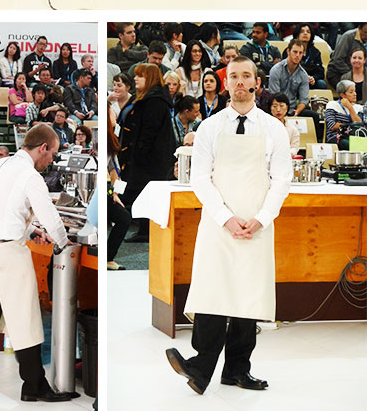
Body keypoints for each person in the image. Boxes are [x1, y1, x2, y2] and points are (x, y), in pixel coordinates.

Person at [166, 56, 291, 396]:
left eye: (245, 76)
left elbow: (282, 180)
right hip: (219, 222)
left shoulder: (273, 129)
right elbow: (200, 179)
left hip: (257, 223)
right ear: (225, 84)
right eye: (233, 76)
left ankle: (237, 369)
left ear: (256, 83)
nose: (239, 82)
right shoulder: (210, 127)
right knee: (212, 290)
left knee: (247, 297)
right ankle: (201, 364)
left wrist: (261, 218)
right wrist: (226, 217)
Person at [0, 123, 72, 402]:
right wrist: (61, 240)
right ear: (43, 147)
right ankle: (34, 386)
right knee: (25, 320)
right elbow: (49, 214)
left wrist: (31, 230)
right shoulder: (29, 174)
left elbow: (0, 209)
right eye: (53, 153)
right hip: (7, 253)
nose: (51, 160)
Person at [119, 63, 175, 241]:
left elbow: (149, 132)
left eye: (140, 76)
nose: (135, 78)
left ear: (149, 78)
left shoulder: (155, 101)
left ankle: (146, 230)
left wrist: (138, 153)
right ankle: (144, 229)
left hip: (151, 158)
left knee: (143, 191)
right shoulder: (145, 98)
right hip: (143, 155)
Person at [324, 80, 364, 145]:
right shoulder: (332, 104)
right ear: (342, 95)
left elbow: (359, 125)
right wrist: (351, 126)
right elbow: (332, 126)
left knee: (363, 146)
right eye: (351, 92)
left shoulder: (358, 107)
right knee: (353, 145)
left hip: (354, 136)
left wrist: (350, 108)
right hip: (337, 136)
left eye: (355, 91)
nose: (355, 94)